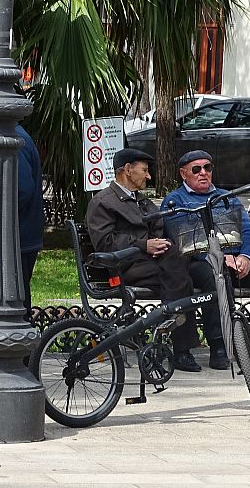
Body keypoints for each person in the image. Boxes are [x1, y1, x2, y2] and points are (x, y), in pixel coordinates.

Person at [161, 150, 250, 368]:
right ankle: (219, 345)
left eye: (208, 168)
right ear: (183, 174)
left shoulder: (226, 197)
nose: (203, 173)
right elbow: (183, 240)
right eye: (196, 169)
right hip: (200, 262)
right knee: (215, 277)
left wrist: (246, 257)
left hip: (237, 258)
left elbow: (248, 230)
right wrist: (219, 258)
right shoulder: (175, 200)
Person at [85, 148, 202, 372]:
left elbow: (158, 226)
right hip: (124, 267)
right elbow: (105, 243)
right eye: (144, 170)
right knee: (180, 278)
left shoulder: (141, 200)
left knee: (182, 271)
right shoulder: (103, 202)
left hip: (153, 263)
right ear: (127, 170)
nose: (148, 176)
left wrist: (160, 244)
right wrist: (143, 245)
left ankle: (173, 344)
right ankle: (179, 349)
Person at [17, 123, 44, 309]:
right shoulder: (18, 135)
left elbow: (22, 189)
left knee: (17, 299)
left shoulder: (13, 138)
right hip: (25, 234)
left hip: (19, 236)